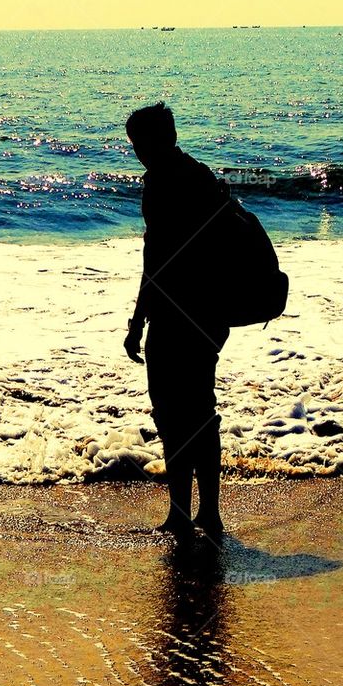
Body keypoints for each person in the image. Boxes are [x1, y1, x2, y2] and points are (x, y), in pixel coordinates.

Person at [123, 102, 232, 544]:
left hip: (176, 316)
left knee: (172, 415)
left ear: (155, 140)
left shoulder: (162, 183)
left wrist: (137, 321)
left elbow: (157, 262)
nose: (135, 153)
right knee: (201, 413)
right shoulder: (201, 176)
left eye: (137, 144)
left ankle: (180, 514)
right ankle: (209, 513)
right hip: (209, 314)